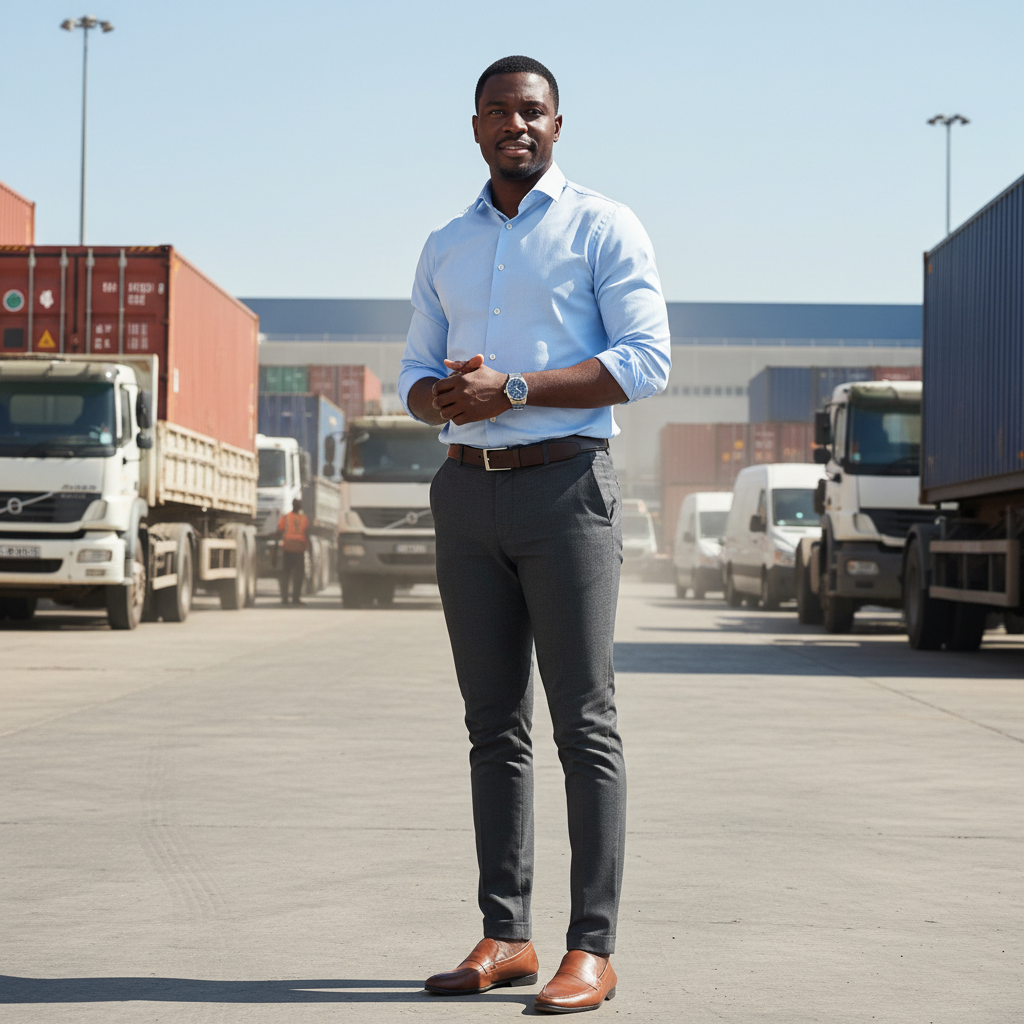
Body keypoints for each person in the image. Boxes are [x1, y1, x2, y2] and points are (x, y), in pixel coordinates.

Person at [399, 55, 670, 1014]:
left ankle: (590, 949)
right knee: (491, 727)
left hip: (566, 493)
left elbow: (645, 360)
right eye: (498, 112)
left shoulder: (604, 224)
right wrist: (438, 395)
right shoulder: (445, 243)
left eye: (533, 111)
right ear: (473, 128)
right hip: (466, 495)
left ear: (558, 125)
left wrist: (513, 388)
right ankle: (505, 934)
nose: (515, 124)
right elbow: (413, 371)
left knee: (583, 724)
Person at [277, 498, 308, 606]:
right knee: (299, 575)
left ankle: (285, 599)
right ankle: (296, 598)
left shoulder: (286, 517)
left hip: (288, 549)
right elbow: (307, 532)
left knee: (286, 575)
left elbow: (279, 530)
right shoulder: (303, 518)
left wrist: (277, 549)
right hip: (299, 550)